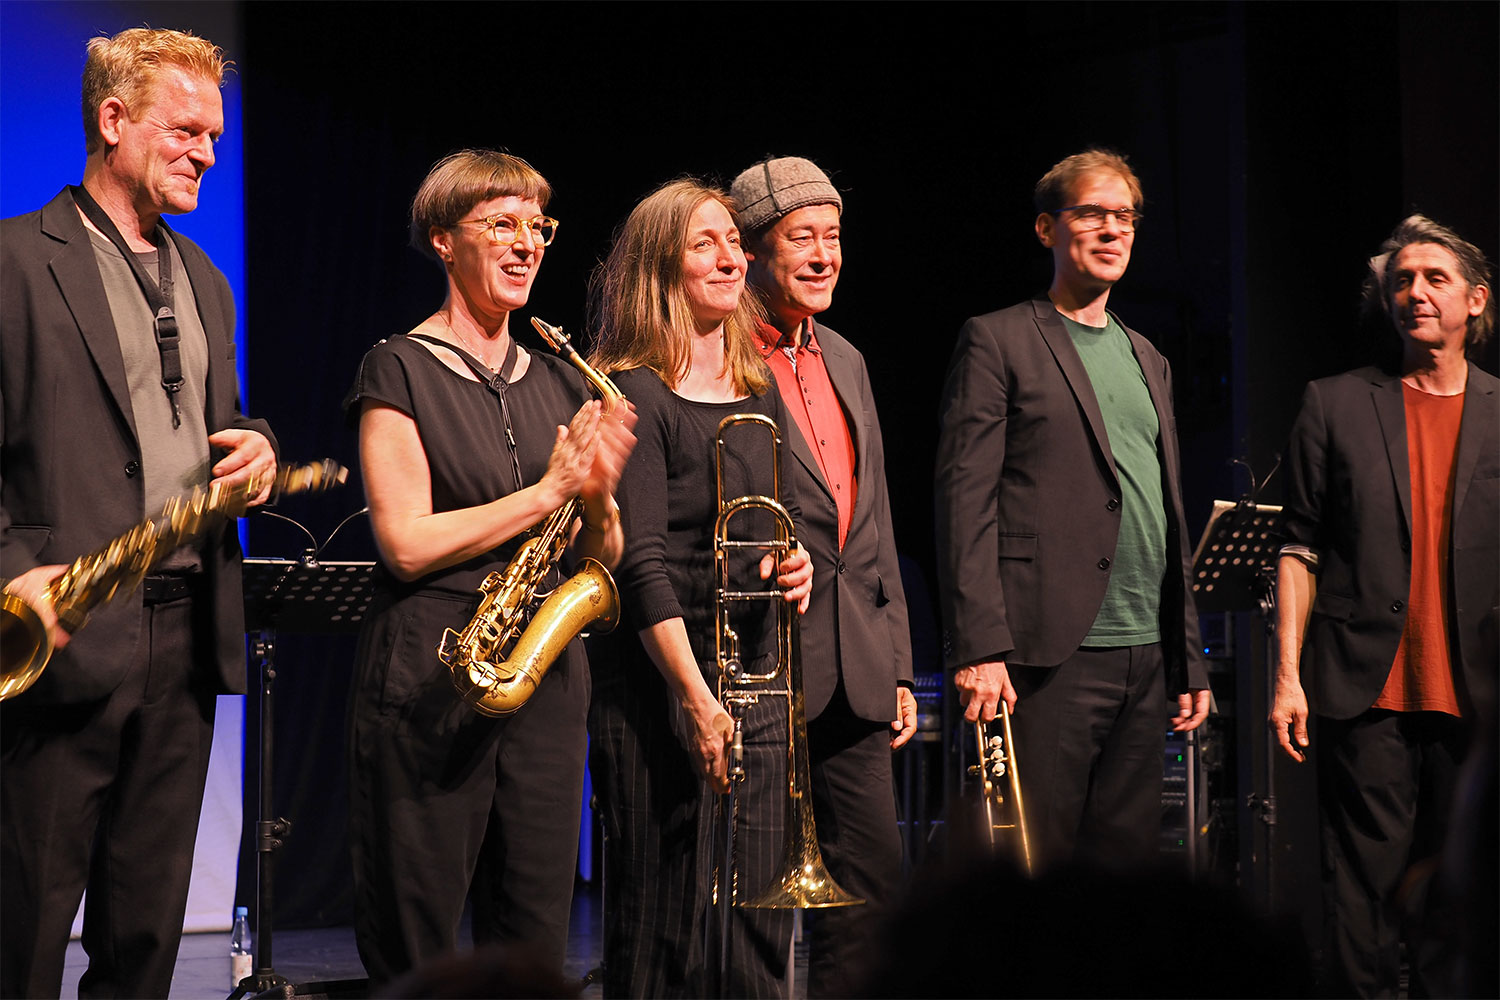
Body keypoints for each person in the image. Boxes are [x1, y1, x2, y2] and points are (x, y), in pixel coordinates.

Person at [0, 27, 277, 999]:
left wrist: (261, 451)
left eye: (217, 133)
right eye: (189, 130)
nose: (210, 150)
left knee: (145, 938)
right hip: (64, 632)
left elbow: (213, 425)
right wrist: (9, 570)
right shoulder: (13, 262)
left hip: (186, 634)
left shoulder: (205, 276)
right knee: (23, 930)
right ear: (113, 120)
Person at [342, 149, 634, 987]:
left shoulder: (557, 379)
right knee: (418, 931)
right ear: (443, 239)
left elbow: (598, 560)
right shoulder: (395, 367)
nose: (525, 244)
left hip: (542, 671)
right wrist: (551, 490)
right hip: (435, 672)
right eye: (500, 224)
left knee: (535, 939)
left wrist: (600, 501)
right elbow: (405, 542)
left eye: (536, 226)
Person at [934, 148, 1210, 874]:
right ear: (1047, 228)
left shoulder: (1148, 355)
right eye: (1091, 213)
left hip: (1145, 652)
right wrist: (979, 644)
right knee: (1036, 869)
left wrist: (1187, 656)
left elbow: (1165, 507)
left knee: (1123, 876)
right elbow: (964, 500)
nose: (1112, 230)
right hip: (1045, 648)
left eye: (1125, 217)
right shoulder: (999, 339)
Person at [585, 178, 813, 998]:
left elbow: (773, 522)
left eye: (733, 241)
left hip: (753, 679)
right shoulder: (636, 392)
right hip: (660, 689)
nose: (731, 257)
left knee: (758, 915)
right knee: (658, 925)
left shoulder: (759, 390)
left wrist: (795, 563)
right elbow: (640, 560)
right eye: (704, 243)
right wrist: (693, 696)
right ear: (660, 267)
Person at [1269, 215, 1497, 997]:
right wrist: (1287, 677)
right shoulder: (1335, 403)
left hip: (1477, 695)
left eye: (1435, 278)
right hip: (1366, 687)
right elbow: (1298, 546)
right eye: (1401, 280)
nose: (1415, 292)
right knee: (1361, 895)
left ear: (1476, 301)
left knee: (1458, 890)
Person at [728, 156, 916, 996]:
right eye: (801, 237)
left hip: (858, 670)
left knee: (873, 894)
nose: (823, 254)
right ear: (753, 252)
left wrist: (900, 662)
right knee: (760, 901)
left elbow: (871, 527)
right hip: (764, 668)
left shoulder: (847, 357)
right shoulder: (717, 357)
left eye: (833, 236)